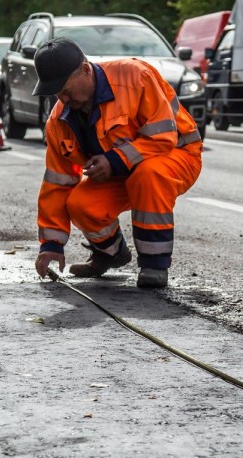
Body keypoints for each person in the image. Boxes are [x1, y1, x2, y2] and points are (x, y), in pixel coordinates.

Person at [32, 38, 202, 289]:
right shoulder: (59, 122)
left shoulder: (135, 77)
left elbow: (163, 138)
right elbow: (57, 182)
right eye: (58, 93)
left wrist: (114, 160)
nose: (64, 99)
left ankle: (154, 265)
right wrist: (51, 246)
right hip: (125, 172)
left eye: (66, 90)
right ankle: (111, 254)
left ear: (86, 70)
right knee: (80, 204)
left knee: (148, 174)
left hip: (176, 156)